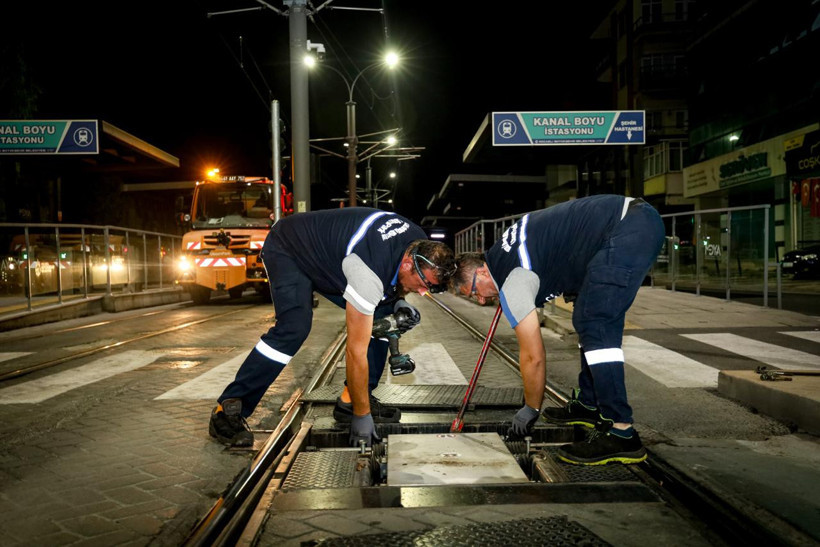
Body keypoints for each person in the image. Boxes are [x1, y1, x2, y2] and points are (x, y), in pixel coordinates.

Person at [209, 207, 456, 448]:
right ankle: (229, 407)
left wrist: (398, 298)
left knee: (382, 317)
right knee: (294, 327)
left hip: (331, 258)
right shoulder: (368, 271)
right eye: (423, 284)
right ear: (407, 264)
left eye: (430, 288)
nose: (423, 293)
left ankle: (351, 401)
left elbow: (393, 281)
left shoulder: (419, 244)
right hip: (289, 248)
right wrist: (363, 417)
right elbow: (355, 351)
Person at [451, 195, 664, 465]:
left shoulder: (513, 280)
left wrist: (531, 408)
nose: (480, 299)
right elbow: (562, 251)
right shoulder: (504, 253)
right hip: (628, 223)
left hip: (628, 228)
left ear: (481, 272)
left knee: (595, 321)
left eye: (473, 292)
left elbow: (533, 356)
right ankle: (589, 405)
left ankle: (621, 432)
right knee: (587, 315)